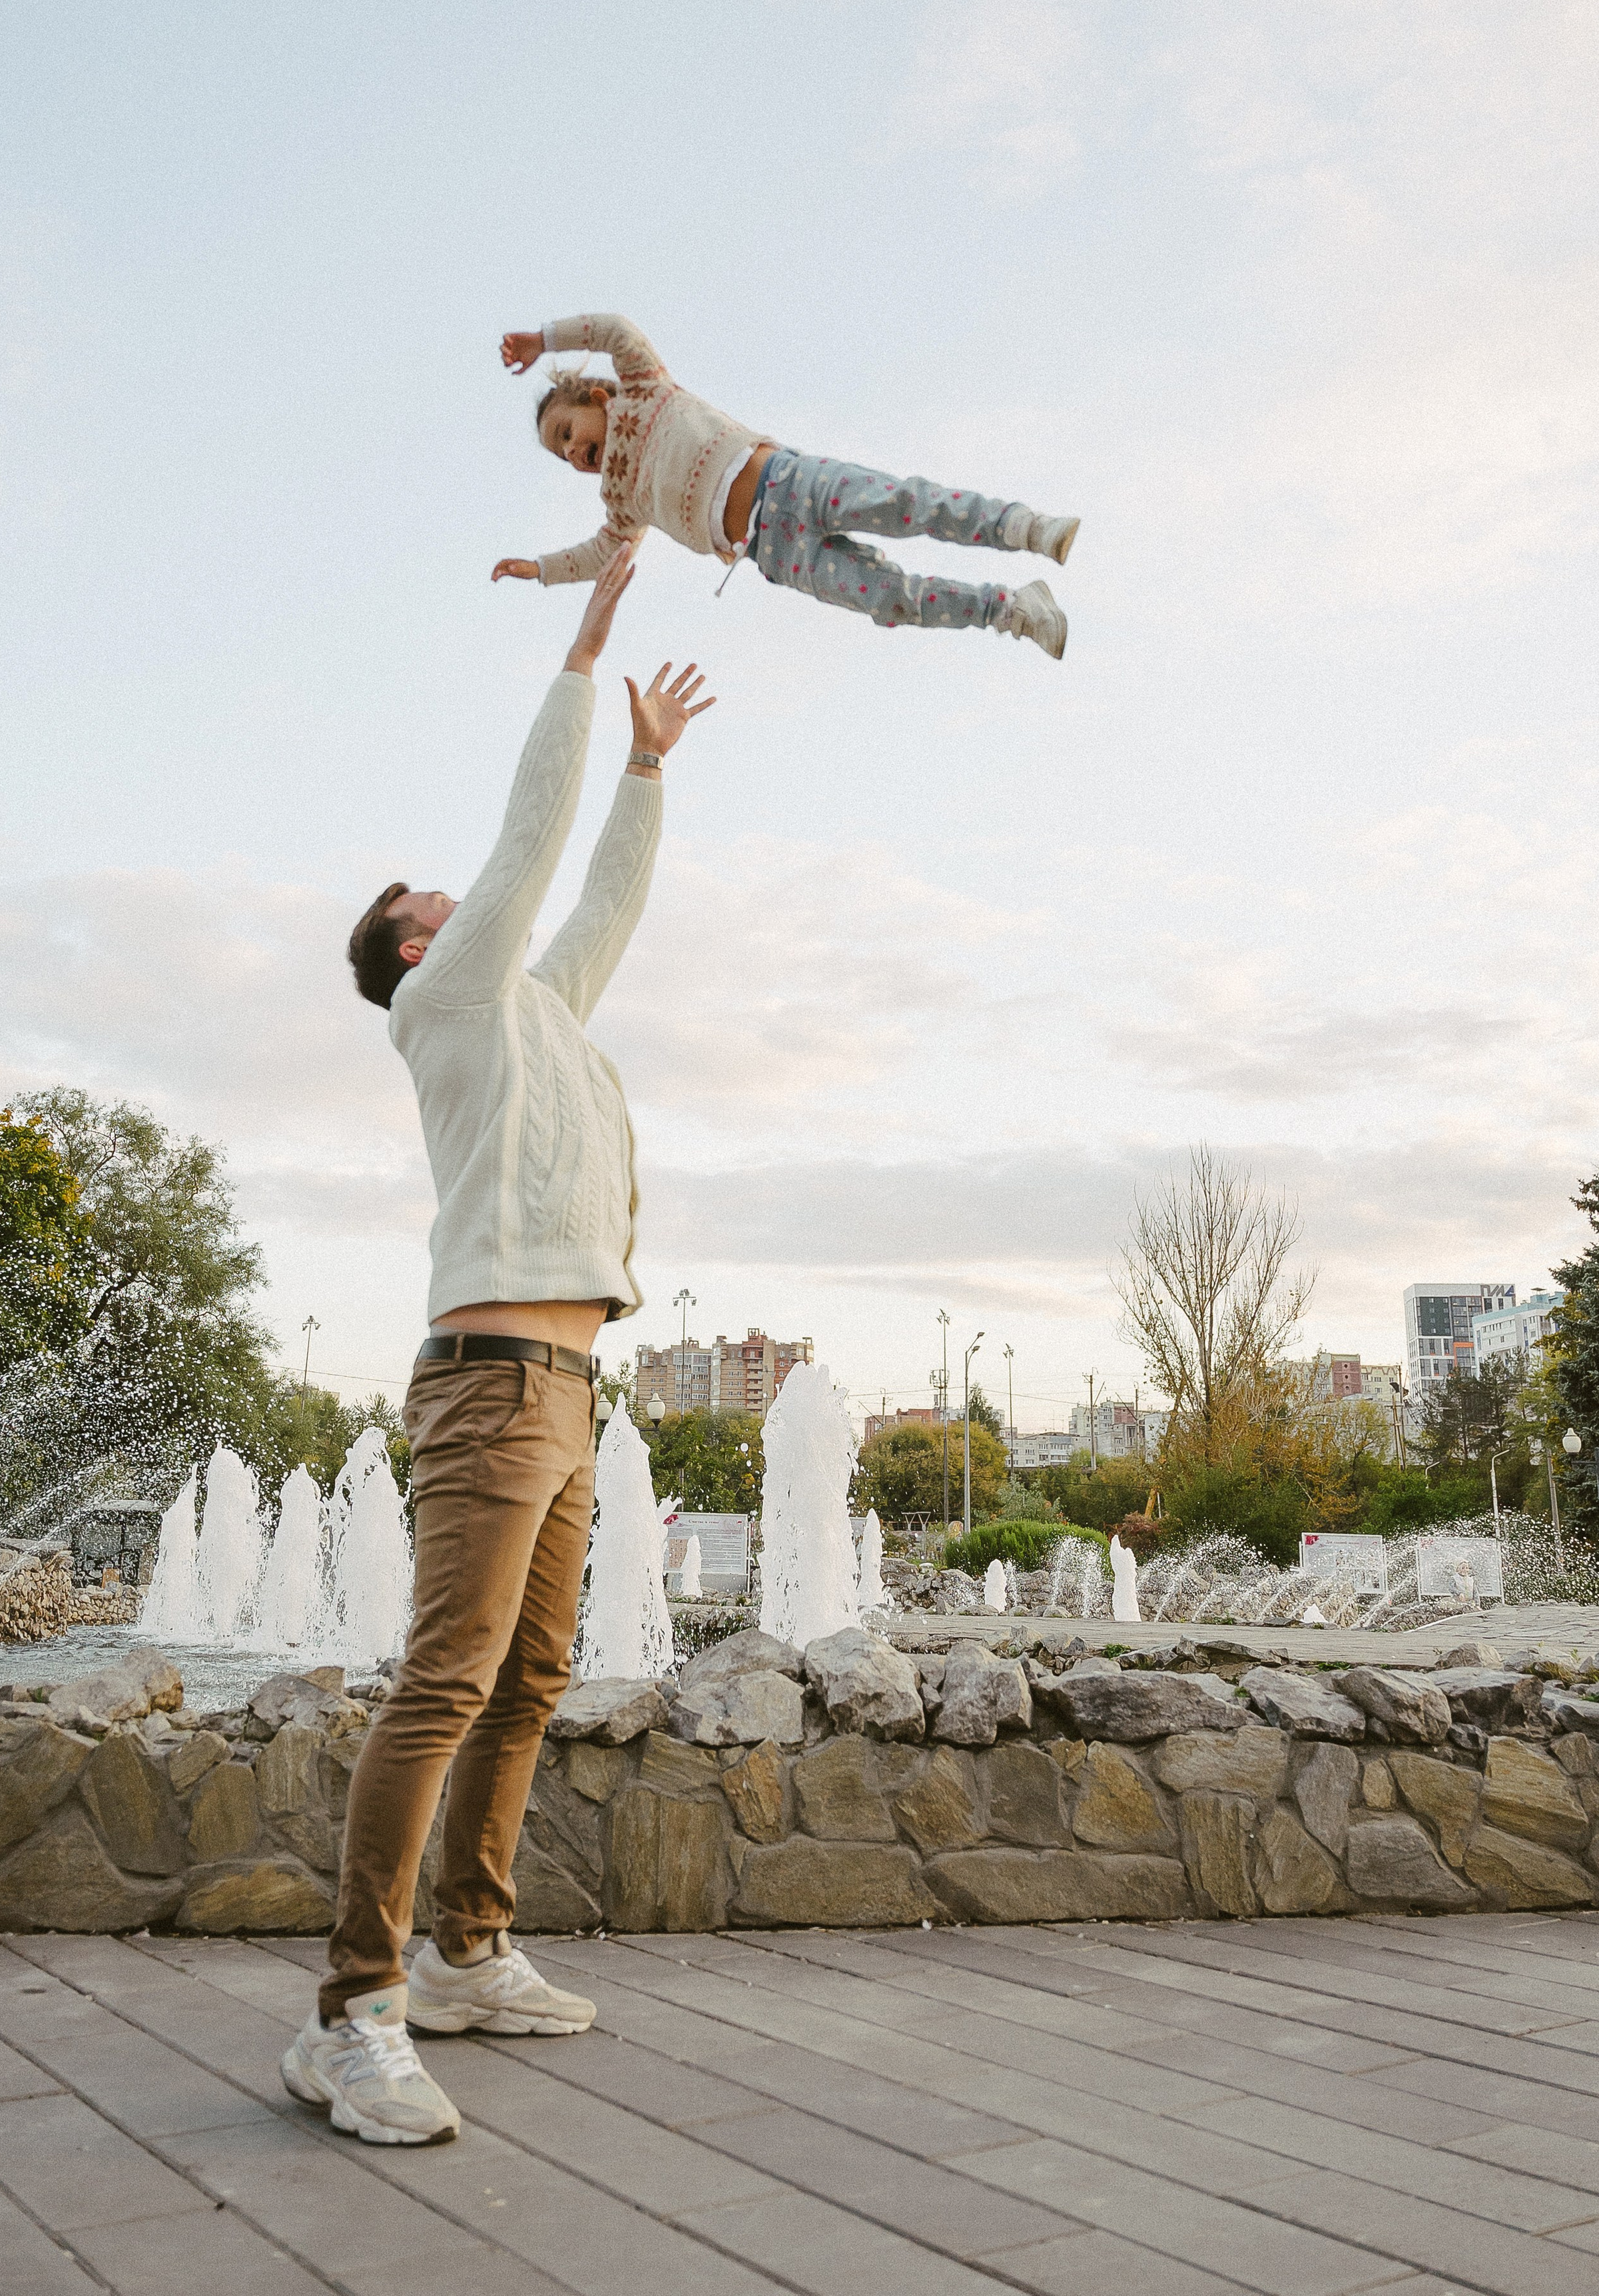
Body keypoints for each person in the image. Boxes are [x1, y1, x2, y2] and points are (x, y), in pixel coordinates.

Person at [282, 547, 713, 2146]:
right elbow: (530, 846)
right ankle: (354, 2013)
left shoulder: (537, 1009)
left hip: (570, 1391)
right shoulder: (445, 1001)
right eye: (426, 906)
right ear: (407, 949)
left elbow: (595, 896)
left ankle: (469, 1950)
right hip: (484, 1387)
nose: (456, 905)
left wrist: (651, 770)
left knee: (529, 1676)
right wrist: (583, 652)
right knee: (444, 1681)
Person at [491, 314, 1078, 660]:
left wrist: (545, 340)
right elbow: (602, 553)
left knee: (906, 506)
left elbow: (615, 331)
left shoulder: (643, 389)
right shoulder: (620, 498)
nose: (570, 452)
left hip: (793, 482)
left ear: (596, 399)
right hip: (776, 554)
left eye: (567, 432)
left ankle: (1023, 527)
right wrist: (540, 569)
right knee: (888, 599)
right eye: (559, 453)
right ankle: (1014, 610)